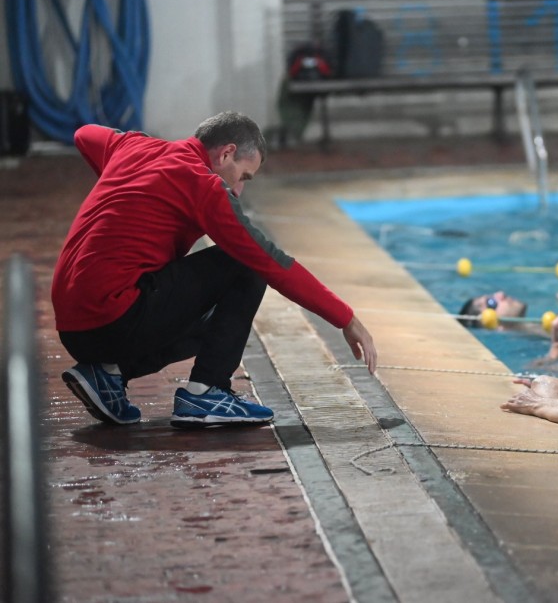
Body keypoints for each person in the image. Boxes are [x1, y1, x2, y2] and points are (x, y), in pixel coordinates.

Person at [52, 111, 377, 428]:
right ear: (226, 154)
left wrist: (128, 190)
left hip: (73, 328)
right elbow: (274, 264)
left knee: (212, 322)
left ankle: (110, 374)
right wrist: (345, 318)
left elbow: (85, 135)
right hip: (113, 321)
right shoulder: (205, 186)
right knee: (245, 265)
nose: (239, 189)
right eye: (244, 176)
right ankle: (208, 391)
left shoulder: (134, 147)